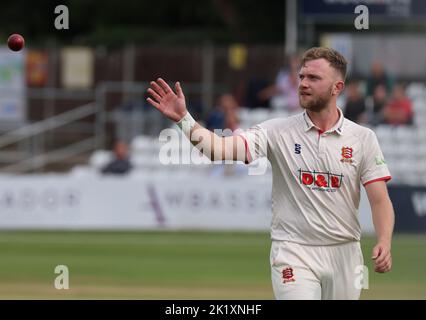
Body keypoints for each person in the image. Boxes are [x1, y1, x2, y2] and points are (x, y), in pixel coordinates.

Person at [146, 47, 394, 300]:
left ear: (337, 87)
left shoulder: (363, 138)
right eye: (302, 77)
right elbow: (218, 149)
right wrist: (184, 119)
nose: (303, 84)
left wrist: (384, 241)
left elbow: (379, 199)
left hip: (346, 254)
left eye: (314, 78)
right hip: (293, 252)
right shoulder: (277, 131)